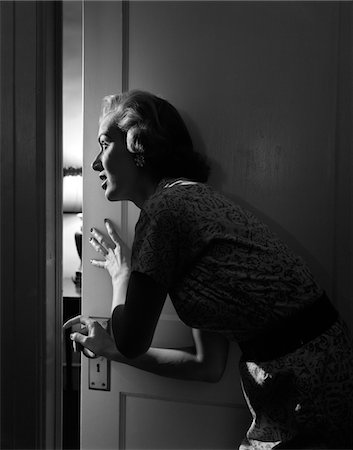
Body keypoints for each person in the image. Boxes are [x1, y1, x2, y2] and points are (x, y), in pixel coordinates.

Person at [64, 90, 353, 449]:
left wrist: (122, 275)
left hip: (306, 382)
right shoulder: (189, 202)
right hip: (308, 374)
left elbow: (132, 340)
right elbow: (206, 364)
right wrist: (109, 350)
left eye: (104, 144)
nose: (94, 164)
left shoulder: (165, 210)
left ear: (139, 147)